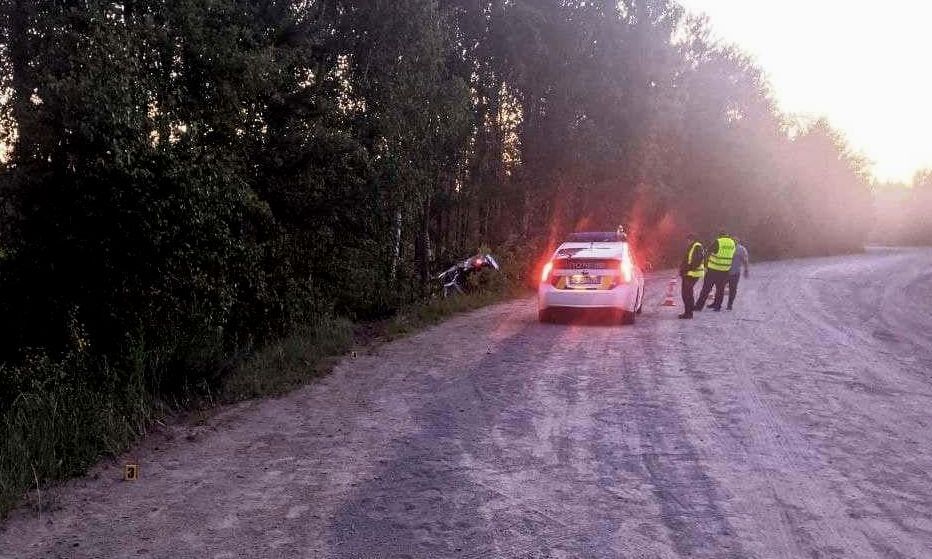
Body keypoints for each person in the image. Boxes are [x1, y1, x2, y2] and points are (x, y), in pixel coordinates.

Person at [695, 230, 736, 312]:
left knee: (706, 289)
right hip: (725, 270)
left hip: (713, 269)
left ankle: (699, 306)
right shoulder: (732, 243)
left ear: (719, 236)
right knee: (720, 289)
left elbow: (708, 252)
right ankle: (717, 306)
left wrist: (705, 265)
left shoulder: (718, 241)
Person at [678, 233, 705, 319]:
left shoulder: (696, 246)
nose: (687, 242)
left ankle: (688, 313)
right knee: (688, 293)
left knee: (686, 294)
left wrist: (687, 269)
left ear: (691, 239)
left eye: (687, 240)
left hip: (692, 274)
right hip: (691, 273)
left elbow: (696, 261)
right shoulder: (695, 246)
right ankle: (689, 311)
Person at [726, 239, 750, 310]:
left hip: (728, 271)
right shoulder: (742, 249)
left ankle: (728, 304)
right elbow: (745, 260)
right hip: (733, 272)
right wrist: (746, 270)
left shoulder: (740, 249)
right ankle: (728, 304)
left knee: (730, 288)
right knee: (732, 289)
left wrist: (746, 270)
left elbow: (745, 260)